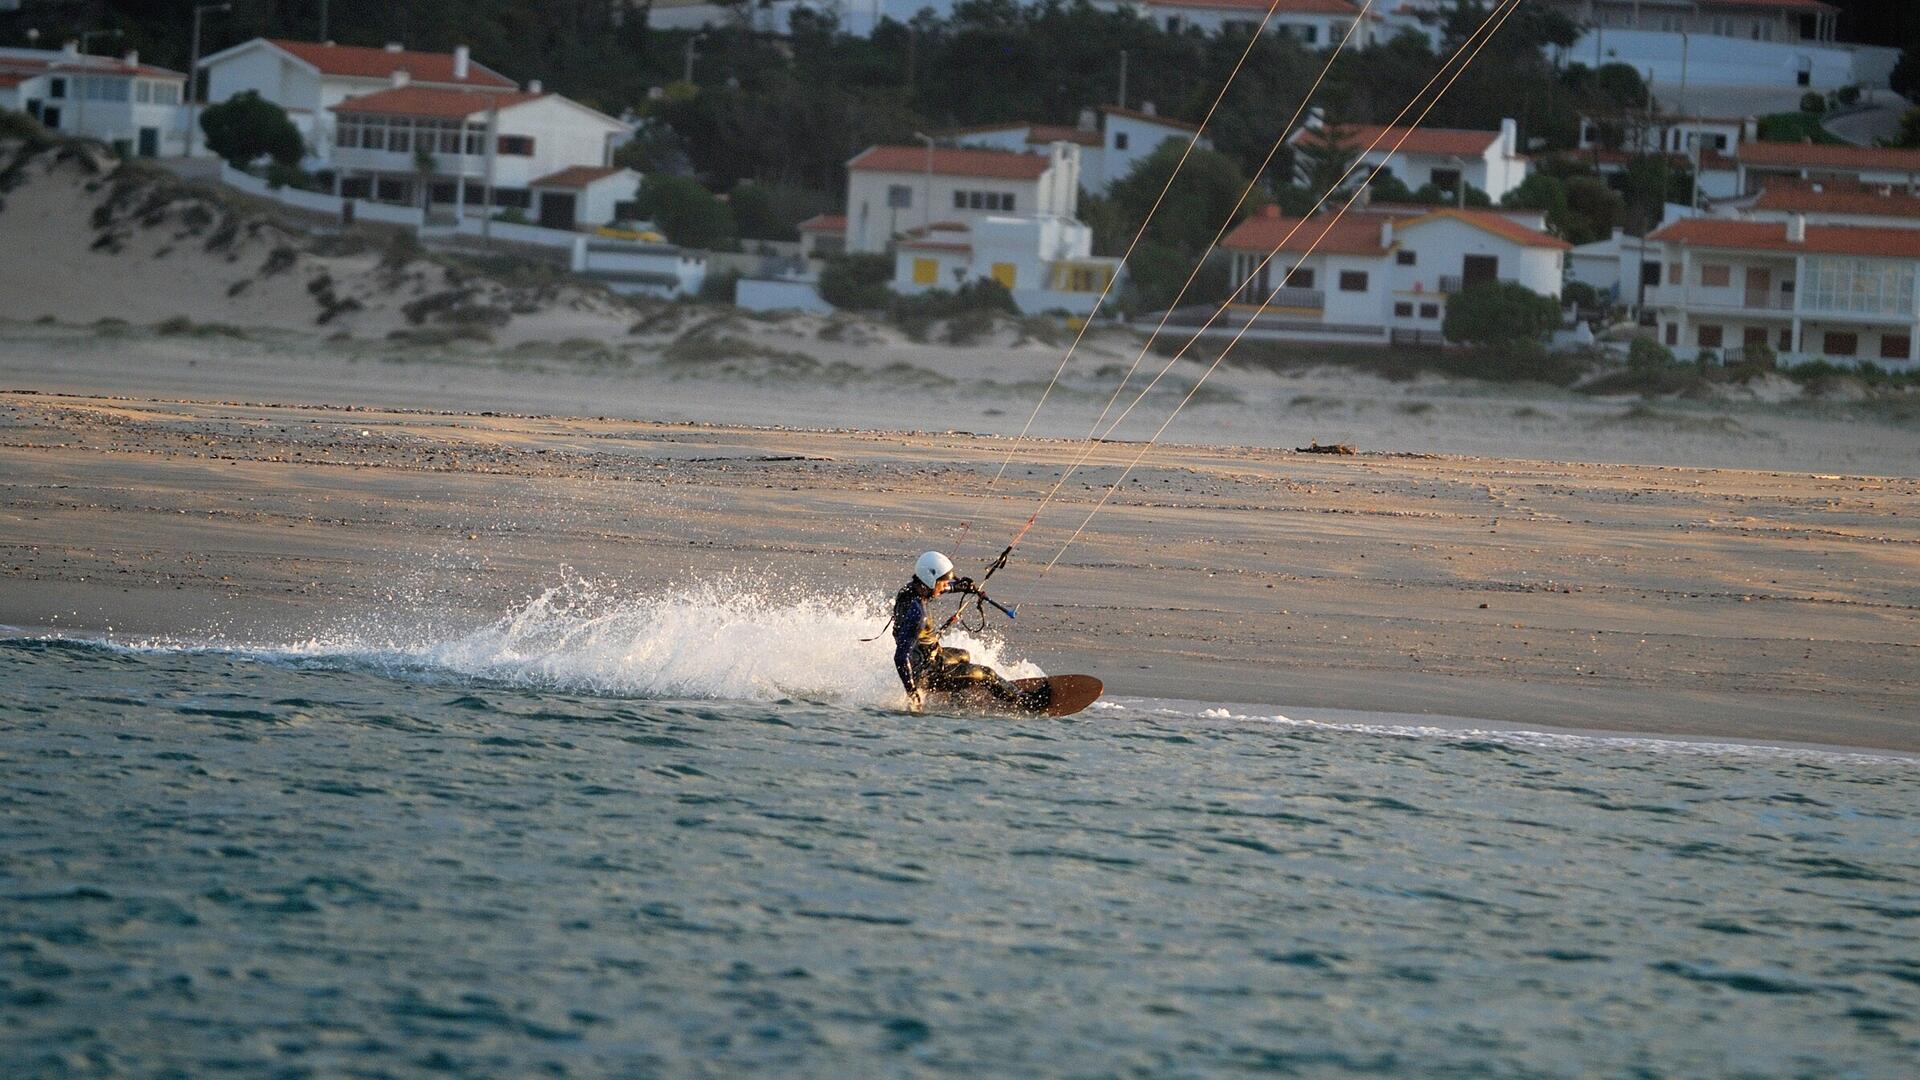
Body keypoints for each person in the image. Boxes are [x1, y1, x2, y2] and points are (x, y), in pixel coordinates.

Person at [892, 551, 1024, 711]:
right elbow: (900, 657)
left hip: (932, 656)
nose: (945, 586)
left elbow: (941, 588)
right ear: (930, 579)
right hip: (927, 674)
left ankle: (956, 700)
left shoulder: (911, 590)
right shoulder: (917, 615)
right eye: (943, 583)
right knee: (987, 675)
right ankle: (1024, 700)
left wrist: (960, 587)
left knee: (964, 655)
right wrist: (913, 695)